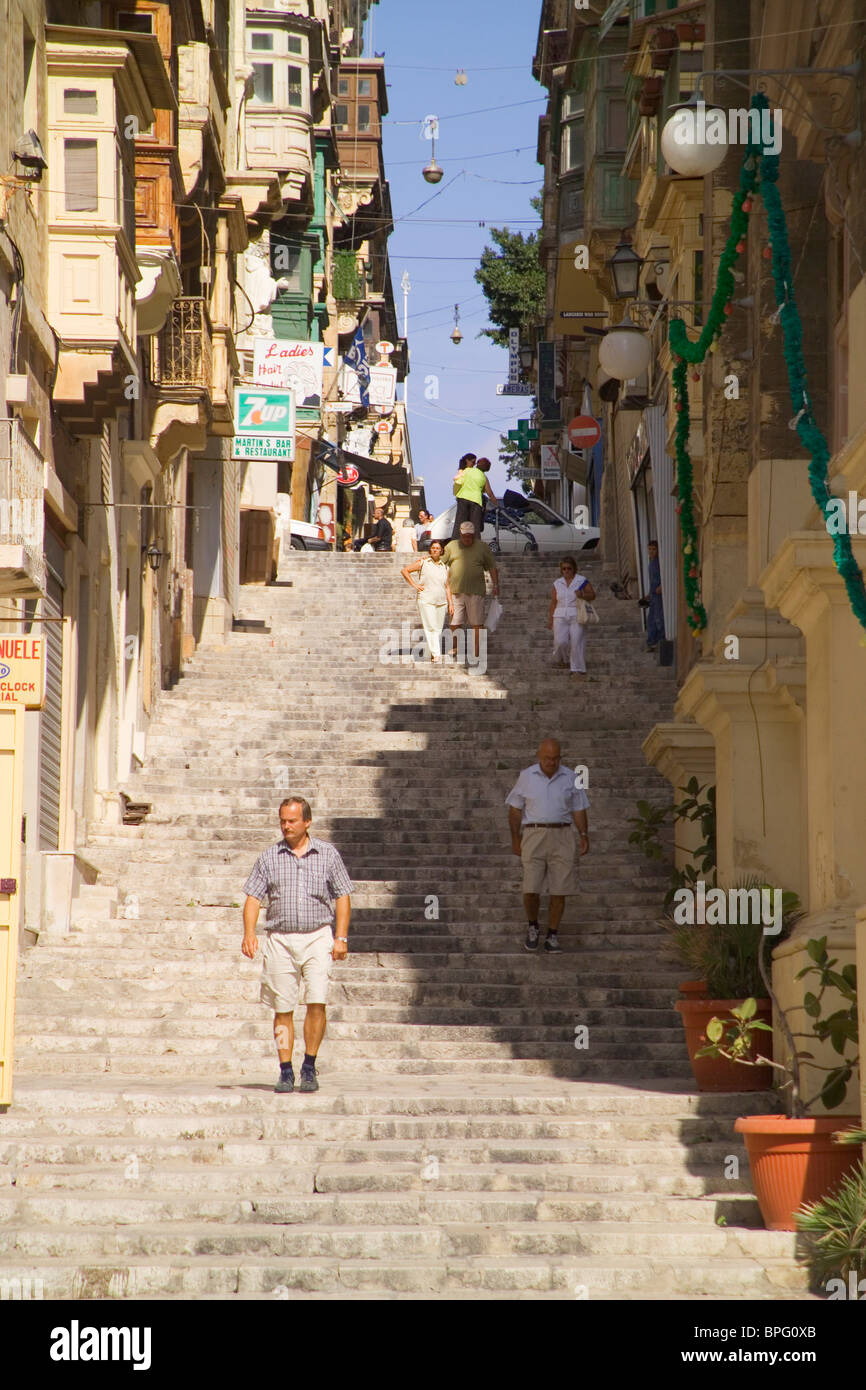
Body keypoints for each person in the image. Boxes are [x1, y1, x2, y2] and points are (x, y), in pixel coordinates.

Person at [241, 797, 353, 1093]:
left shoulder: (328, 854)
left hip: (317, 935)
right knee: (282, 1007)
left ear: (307, 822)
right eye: (282, 820)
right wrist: (249, 933)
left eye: (291, 821)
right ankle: (286, 1069)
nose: (286, 826)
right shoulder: (268, 857)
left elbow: (342, 895)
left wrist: (341, 937)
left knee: (316, 1000)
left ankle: (309, 1065)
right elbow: (253, 898)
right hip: (280, 939)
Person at [505, 739, 590, 954]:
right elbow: (515, 809)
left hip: (562, 834)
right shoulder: (526, 776)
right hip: (533, 834)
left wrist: (584, 834)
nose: (551, 762)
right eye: (547, 758)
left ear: (560, 757)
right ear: (539, 756)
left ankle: (553, 934)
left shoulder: (572, 777)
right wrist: (515, 838)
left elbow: (579, 808)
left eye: (555, 758)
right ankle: (533, 925)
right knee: (530, 888)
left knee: (559, 889)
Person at [442, 521, 499, 665]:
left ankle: (477, 651)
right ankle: (455, 647)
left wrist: (496, 584)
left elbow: (492, 567)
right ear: (460, 534)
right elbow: (441, 563)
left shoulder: (482, 547)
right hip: (456, 591)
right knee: (455, 622)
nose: (467, 538)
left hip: (476, 591)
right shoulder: (451, 546)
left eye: (470, 536)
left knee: (477, 623)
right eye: (465, 536)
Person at [547, 556, 596, 676]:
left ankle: (577, 668)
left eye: (569, 568)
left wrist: (582, 595)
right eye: (564, 569)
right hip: (560, 614)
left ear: (574, 569)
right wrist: (550, 619)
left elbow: (593, 595)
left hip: (576, 614)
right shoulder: (557, 583)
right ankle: (563, 659)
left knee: (576, 641)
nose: (566, 571)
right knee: (560, 641)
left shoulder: (581, 580)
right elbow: (553, 602)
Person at [401, 537, 449, 661]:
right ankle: (437, 654)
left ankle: (429, 653)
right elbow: (405, 570)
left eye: (438, 548)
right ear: (430, 550)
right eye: (433, 548)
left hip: (441, 601)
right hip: (426, 599)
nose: (435, 550)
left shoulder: (445, 567)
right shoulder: (423, 562)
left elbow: (447, 586)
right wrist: (414, 585)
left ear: (442, 551)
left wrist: (451, 602)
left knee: (438, 629)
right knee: (431, 626)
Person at [451, 457, 500, 540]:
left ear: (477, 464)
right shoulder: (484, 477)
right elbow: (490, 493)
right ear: (487, 469)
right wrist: (497, 504)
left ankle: (455, 541)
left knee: (460, 522)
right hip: (476, 501)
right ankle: (476, 543)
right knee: (475, 525)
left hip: (463, 498)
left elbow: (458, 479)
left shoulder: (467, 470)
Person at [645, 539, 664, 651]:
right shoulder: (651, 563)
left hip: (658, 594)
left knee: (658, 618)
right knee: (651, 618)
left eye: (653, 549)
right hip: (653, 594)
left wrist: (662, 586)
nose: (651, 551)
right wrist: (649, 593)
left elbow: (663, 575)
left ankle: (660, 640)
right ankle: (652, 642)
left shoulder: (658, 562)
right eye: (650, 549)